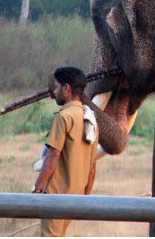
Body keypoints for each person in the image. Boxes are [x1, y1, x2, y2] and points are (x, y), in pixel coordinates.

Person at [33, 66, 98, 237]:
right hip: (75, 197)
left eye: (55, 86)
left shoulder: (63, 117)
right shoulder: (90, 120)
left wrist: (37, 189)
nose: (53, 92)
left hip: (55, 196)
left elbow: (52, 156)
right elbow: (92, 165)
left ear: (66, 88)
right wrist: (85, 195)